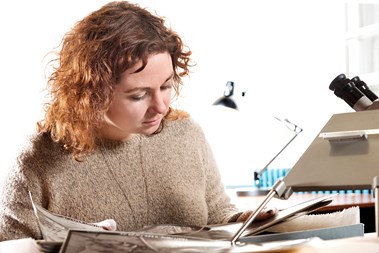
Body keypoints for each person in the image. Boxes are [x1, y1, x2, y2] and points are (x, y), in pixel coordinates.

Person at [0, 1, 276, 241]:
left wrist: (241, 220)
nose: (160, 107)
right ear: (92, 93)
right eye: (139, 95)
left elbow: (216, 212)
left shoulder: (186, 134)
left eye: (166, 86)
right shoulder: (38, 160)